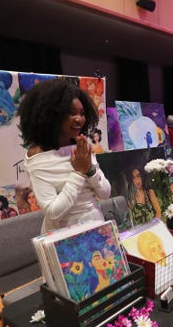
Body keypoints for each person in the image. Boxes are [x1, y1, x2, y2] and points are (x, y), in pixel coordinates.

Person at [18, 78, 111, 233]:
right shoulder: (38, 157)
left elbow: (105, 193)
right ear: (51, 115)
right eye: (71, 113)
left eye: (82, 113)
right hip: (64, 239)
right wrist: (79, 173)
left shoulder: (80, 146)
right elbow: (53, 212)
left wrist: (90, 170)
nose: (79, 119)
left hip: (96, 230)